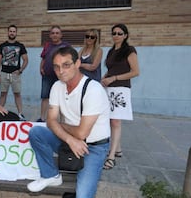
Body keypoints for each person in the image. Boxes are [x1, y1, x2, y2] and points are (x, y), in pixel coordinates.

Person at [27, 46, 110, 198]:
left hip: (93, 147)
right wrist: (69, 139)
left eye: (66, 65)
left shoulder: (93, 90)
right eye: (57, 67)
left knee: (83, 195)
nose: (61, 71)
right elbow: (50, 121)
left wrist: (60, 126)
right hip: (69, 141)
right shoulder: (57, 87)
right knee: (36, 132)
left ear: (77, 63)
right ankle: (51, 175)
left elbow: (81, 132)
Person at [101, 23, 139, 170]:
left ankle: (111, 157)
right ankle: (117, 149)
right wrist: (104, 79)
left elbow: (135, 72)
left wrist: (114, 78)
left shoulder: (129, 50)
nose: (116, 36)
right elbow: (110, 69)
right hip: (109, 88)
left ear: (125, 35)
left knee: (115, 122)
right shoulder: (111, 51)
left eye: (119, 33)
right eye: (114, 33)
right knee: (110, 120)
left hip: (121, 89)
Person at [0, 25, 28, 119]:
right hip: (4, 73)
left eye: (14, 31)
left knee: (17, 94)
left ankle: (20, 113)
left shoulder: (20, 46)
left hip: (15, 74)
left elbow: (26, 60)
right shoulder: (2, 46)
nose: (12, 33)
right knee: (3, 94)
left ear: (16, 33)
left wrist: (20, 70)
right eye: (10, 31)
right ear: (8, 32)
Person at [39, 25, 70, 122]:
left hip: (60, 77)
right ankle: (42, 118)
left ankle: (62, 120)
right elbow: (43, 58)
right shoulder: (47, 45)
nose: (55, 35)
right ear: (50, 35)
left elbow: (70, 60)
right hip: (47, 76)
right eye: (53, 33)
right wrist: (41, 68)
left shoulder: (66, 46)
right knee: (45, 97)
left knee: (61, 98)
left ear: (61, 35)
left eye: (57, 33)